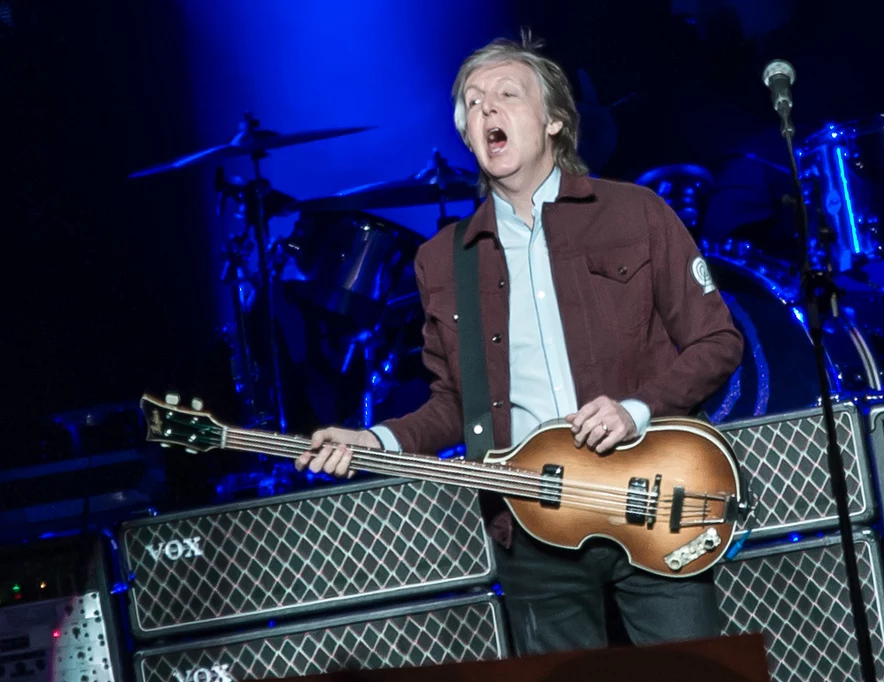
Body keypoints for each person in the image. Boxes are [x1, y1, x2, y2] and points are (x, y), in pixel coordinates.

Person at [295, 31, 744, 656]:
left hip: (651, 501)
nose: (486, 111)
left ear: (555, 119)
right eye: (472, 104)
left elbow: (717, 341)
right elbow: (457, 402)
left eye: (507, 94)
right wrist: (374, 440)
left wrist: (634, 409)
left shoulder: (635, 213)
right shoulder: (442, 260)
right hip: (531, 528)